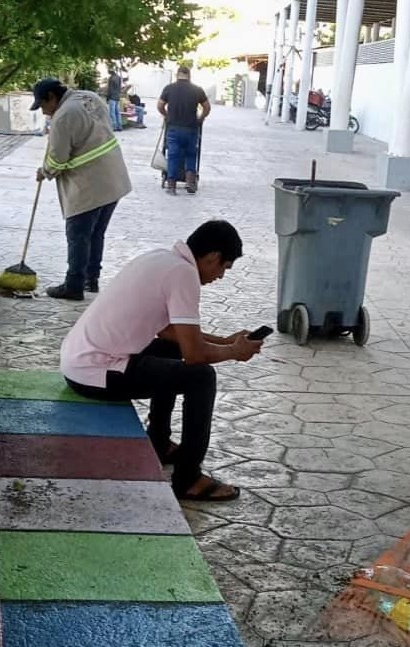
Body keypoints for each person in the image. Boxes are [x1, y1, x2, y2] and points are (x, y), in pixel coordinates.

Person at [60, 220, 263, 501]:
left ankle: (158, 441)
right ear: (213, 257)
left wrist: (227, 341)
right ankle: (188, 478)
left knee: (169, 348)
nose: (220, 276)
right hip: (96, 371)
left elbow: (170, 332)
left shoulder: (162, 259)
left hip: (79, 362)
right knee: (202, 377)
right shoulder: (184, 275)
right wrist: (234, 352)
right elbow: (194, 354)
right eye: (223, 268)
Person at [31, 78, 132, 299]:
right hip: (113, 178)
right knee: (96, 234)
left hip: (88, 185)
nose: (45, 112)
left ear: (52, 97)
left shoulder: (63, 116)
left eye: (43, 106)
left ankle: (74, 285)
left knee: (78, 235)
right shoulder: (90, 97)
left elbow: (58, 159)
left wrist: (45, 171)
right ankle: (90, 280)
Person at [157, 66, 211, 195]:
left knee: (173, 156)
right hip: (191, 128)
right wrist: (201, 118)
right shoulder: (197, 90)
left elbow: (160, 105)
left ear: (177, 75)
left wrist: (166, 115)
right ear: (189, 75)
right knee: (191, 154)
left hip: (173, 128)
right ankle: (190, 182)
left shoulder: (169, 88)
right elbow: (207, 107)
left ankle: (171, 186)